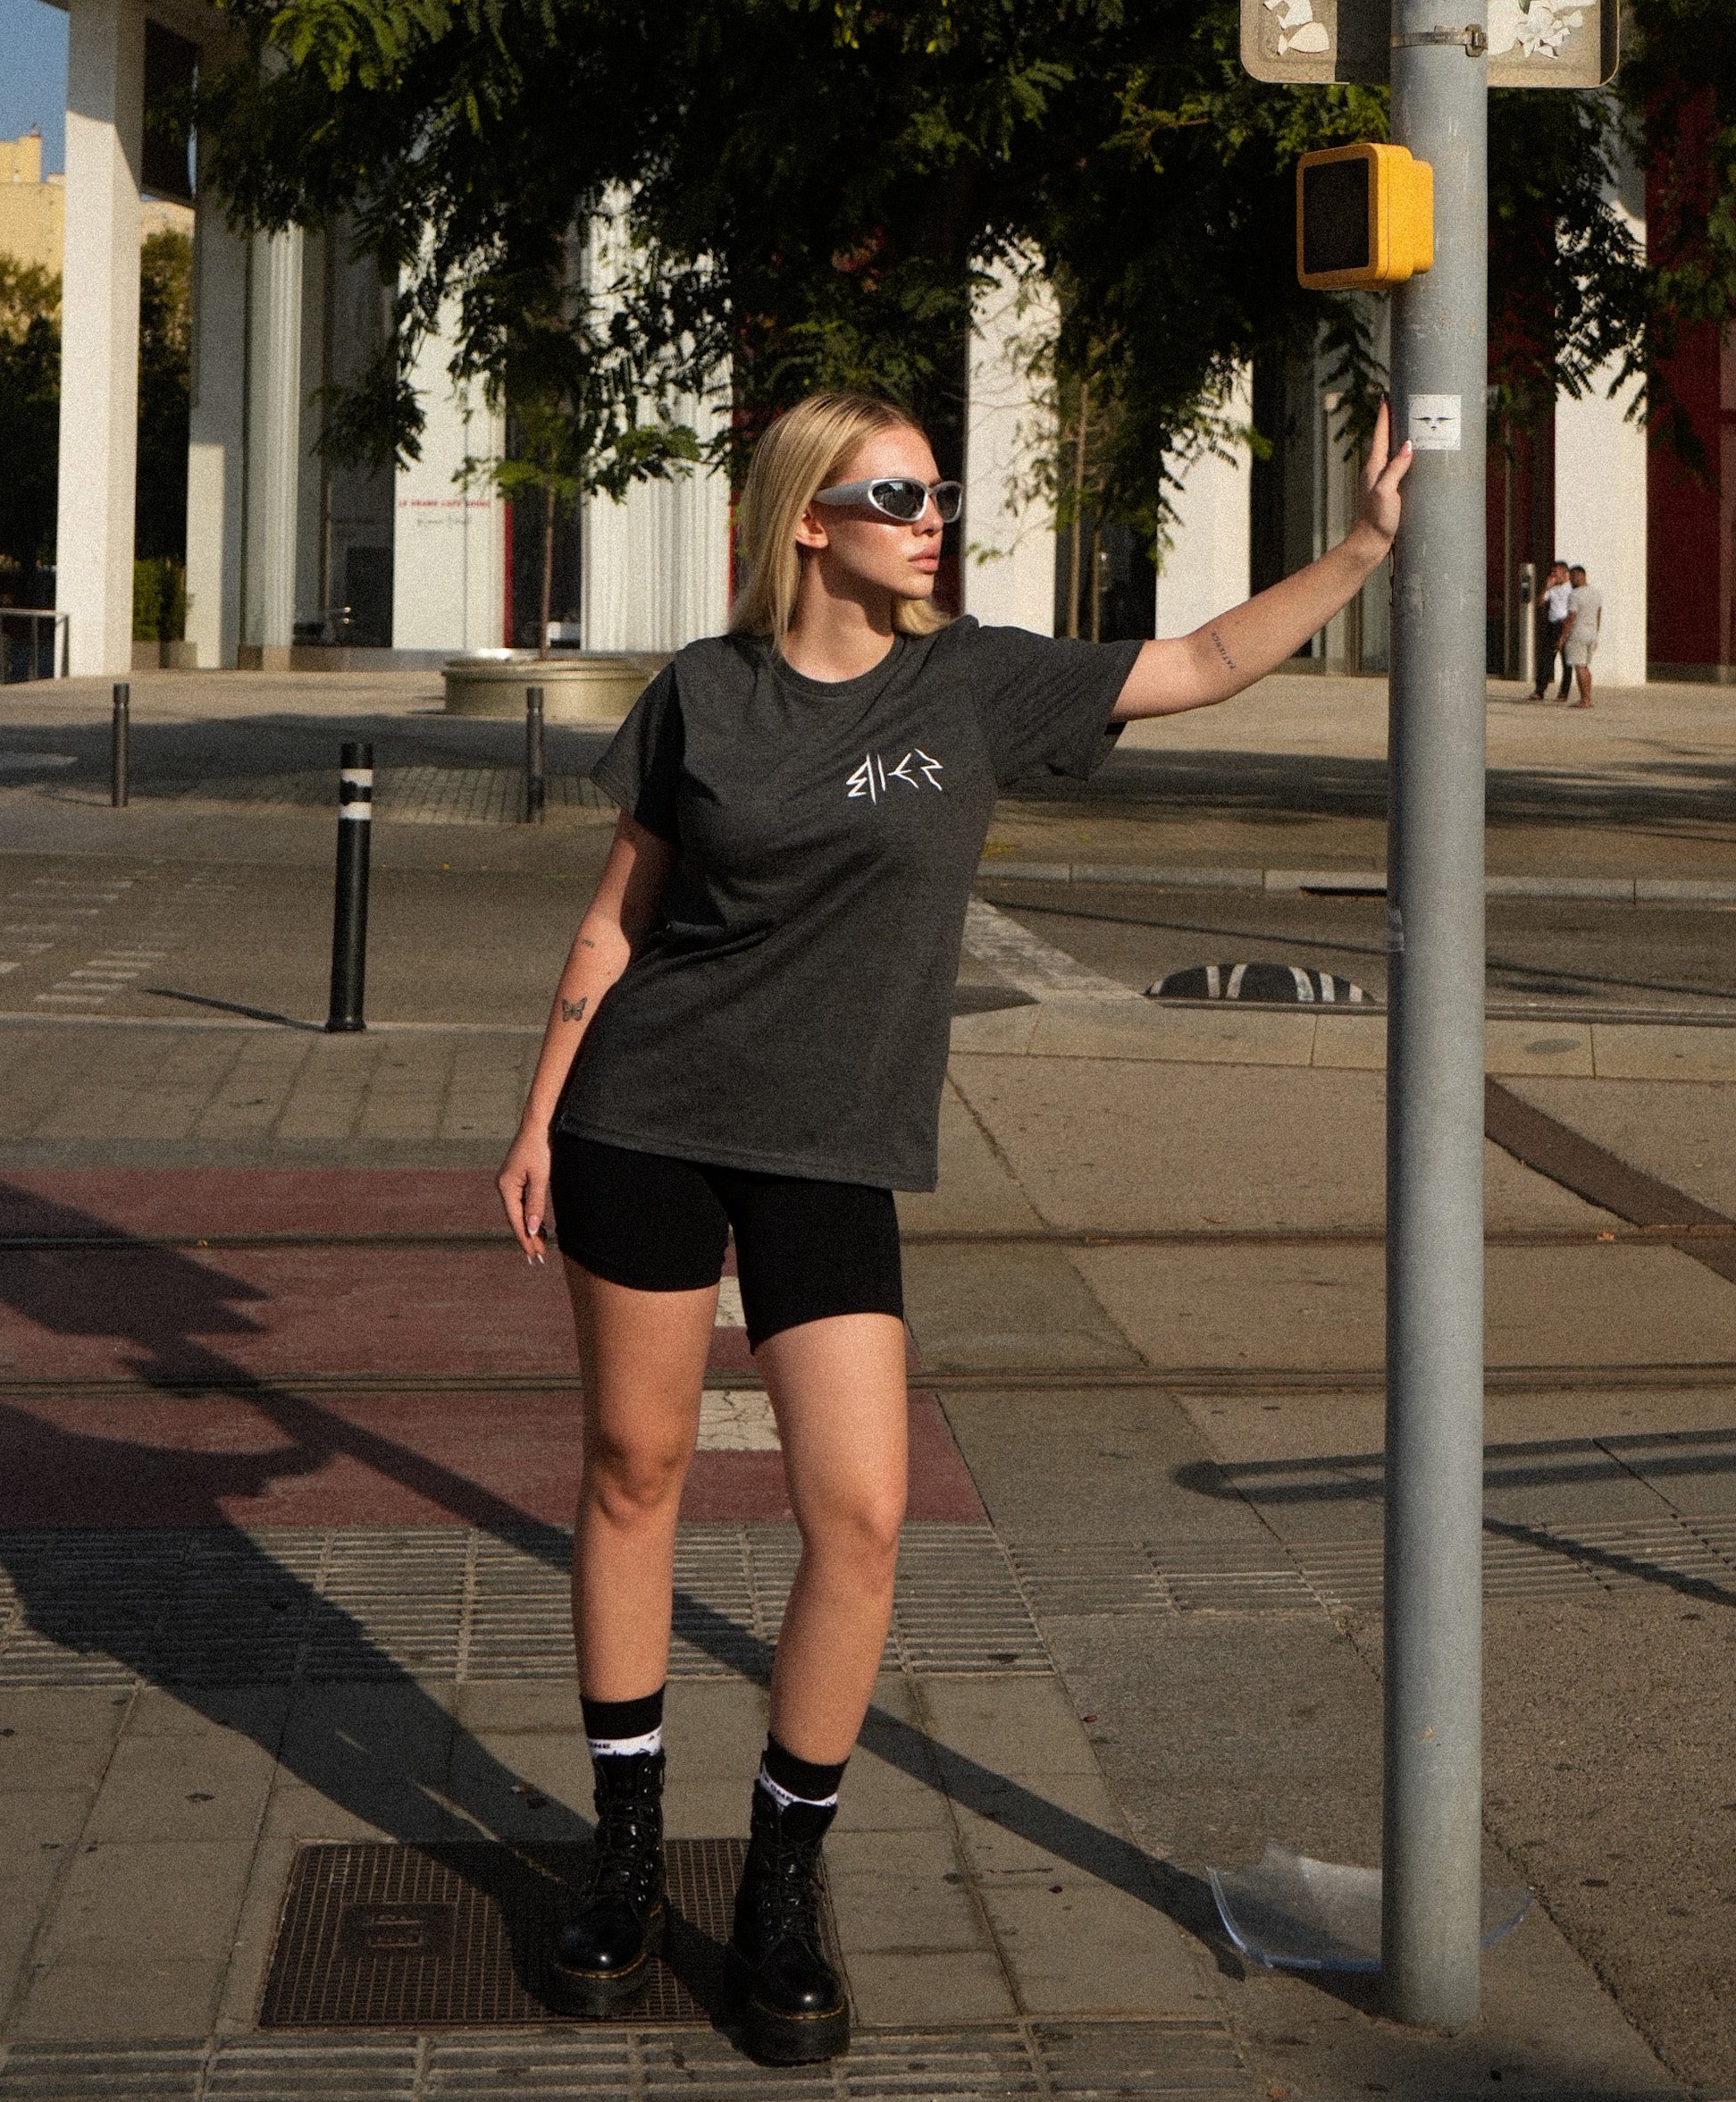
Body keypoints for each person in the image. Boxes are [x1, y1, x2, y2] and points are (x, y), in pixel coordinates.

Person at [495, 384, 1410, 2064]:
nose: (932, 513)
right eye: (895, 489)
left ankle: (783, 1876)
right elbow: (623, 908)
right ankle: (624, 1854)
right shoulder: (704, 692)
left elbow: (1200, 659)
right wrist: (543, 1107)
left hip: (828, 1153)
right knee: (634, 1472)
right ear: (808, 521)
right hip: (648, 1119)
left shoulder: (972, 678)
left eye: (936, 488)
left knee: (861, 1513)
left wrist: (1356, 544)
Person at [1560, 564, 1603, 709]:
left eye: (1572, 577)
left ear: (1580, 575)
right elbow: (1598, 614)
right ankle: (1588, 697)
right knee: (1585, 666)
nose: (1571, 580)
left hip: (1577, 633)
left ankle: (1585, 700)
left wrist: (1562, 637)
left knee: (1579, 667)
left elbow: (1571, 617)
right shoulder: (1595, 593)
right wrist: (1596, 634)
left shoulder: (1575, 595)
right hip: (1591, 633)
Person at [1530, 559, 1571, 700]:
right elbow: (1540, 602)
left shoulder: (1570, 589)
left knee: (1566, 660)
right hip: (1552, 624)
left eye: (1556, 572)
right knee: (1546, 657)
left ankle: (1563, 692)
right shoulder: (1552, 589)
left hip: (1564, 624)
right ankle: (1540, 689)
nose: (1553, 575)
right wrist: (1546, 587)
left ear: (1565, 573)